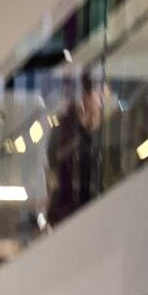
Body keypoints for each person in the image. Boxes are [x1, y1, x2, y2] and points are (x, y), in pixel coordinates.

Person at [46, 72, 112, 225]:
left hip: (98, 204)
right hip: (69, 206)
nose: (103, 99)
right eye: (99, 92)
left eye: (105, 93)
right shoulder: (66, 126)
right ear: (85, 96)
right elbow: (55, 160)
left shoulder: (109, 126)